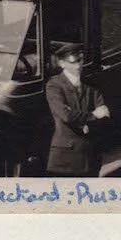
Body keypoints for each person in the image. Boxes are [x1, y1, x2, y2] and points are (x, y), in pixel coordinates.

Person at [45, 43, 110, 175]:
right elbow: (66, 115)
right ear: (62, 63)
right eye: (73, 62)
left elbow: (104, 116)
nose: (78, 66)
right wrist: (93, 115)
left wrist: (86, 122)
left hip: (90, 157)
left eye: (80, 60)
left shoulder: (90, 85)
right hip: (65, 158)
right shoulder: (54, 85)